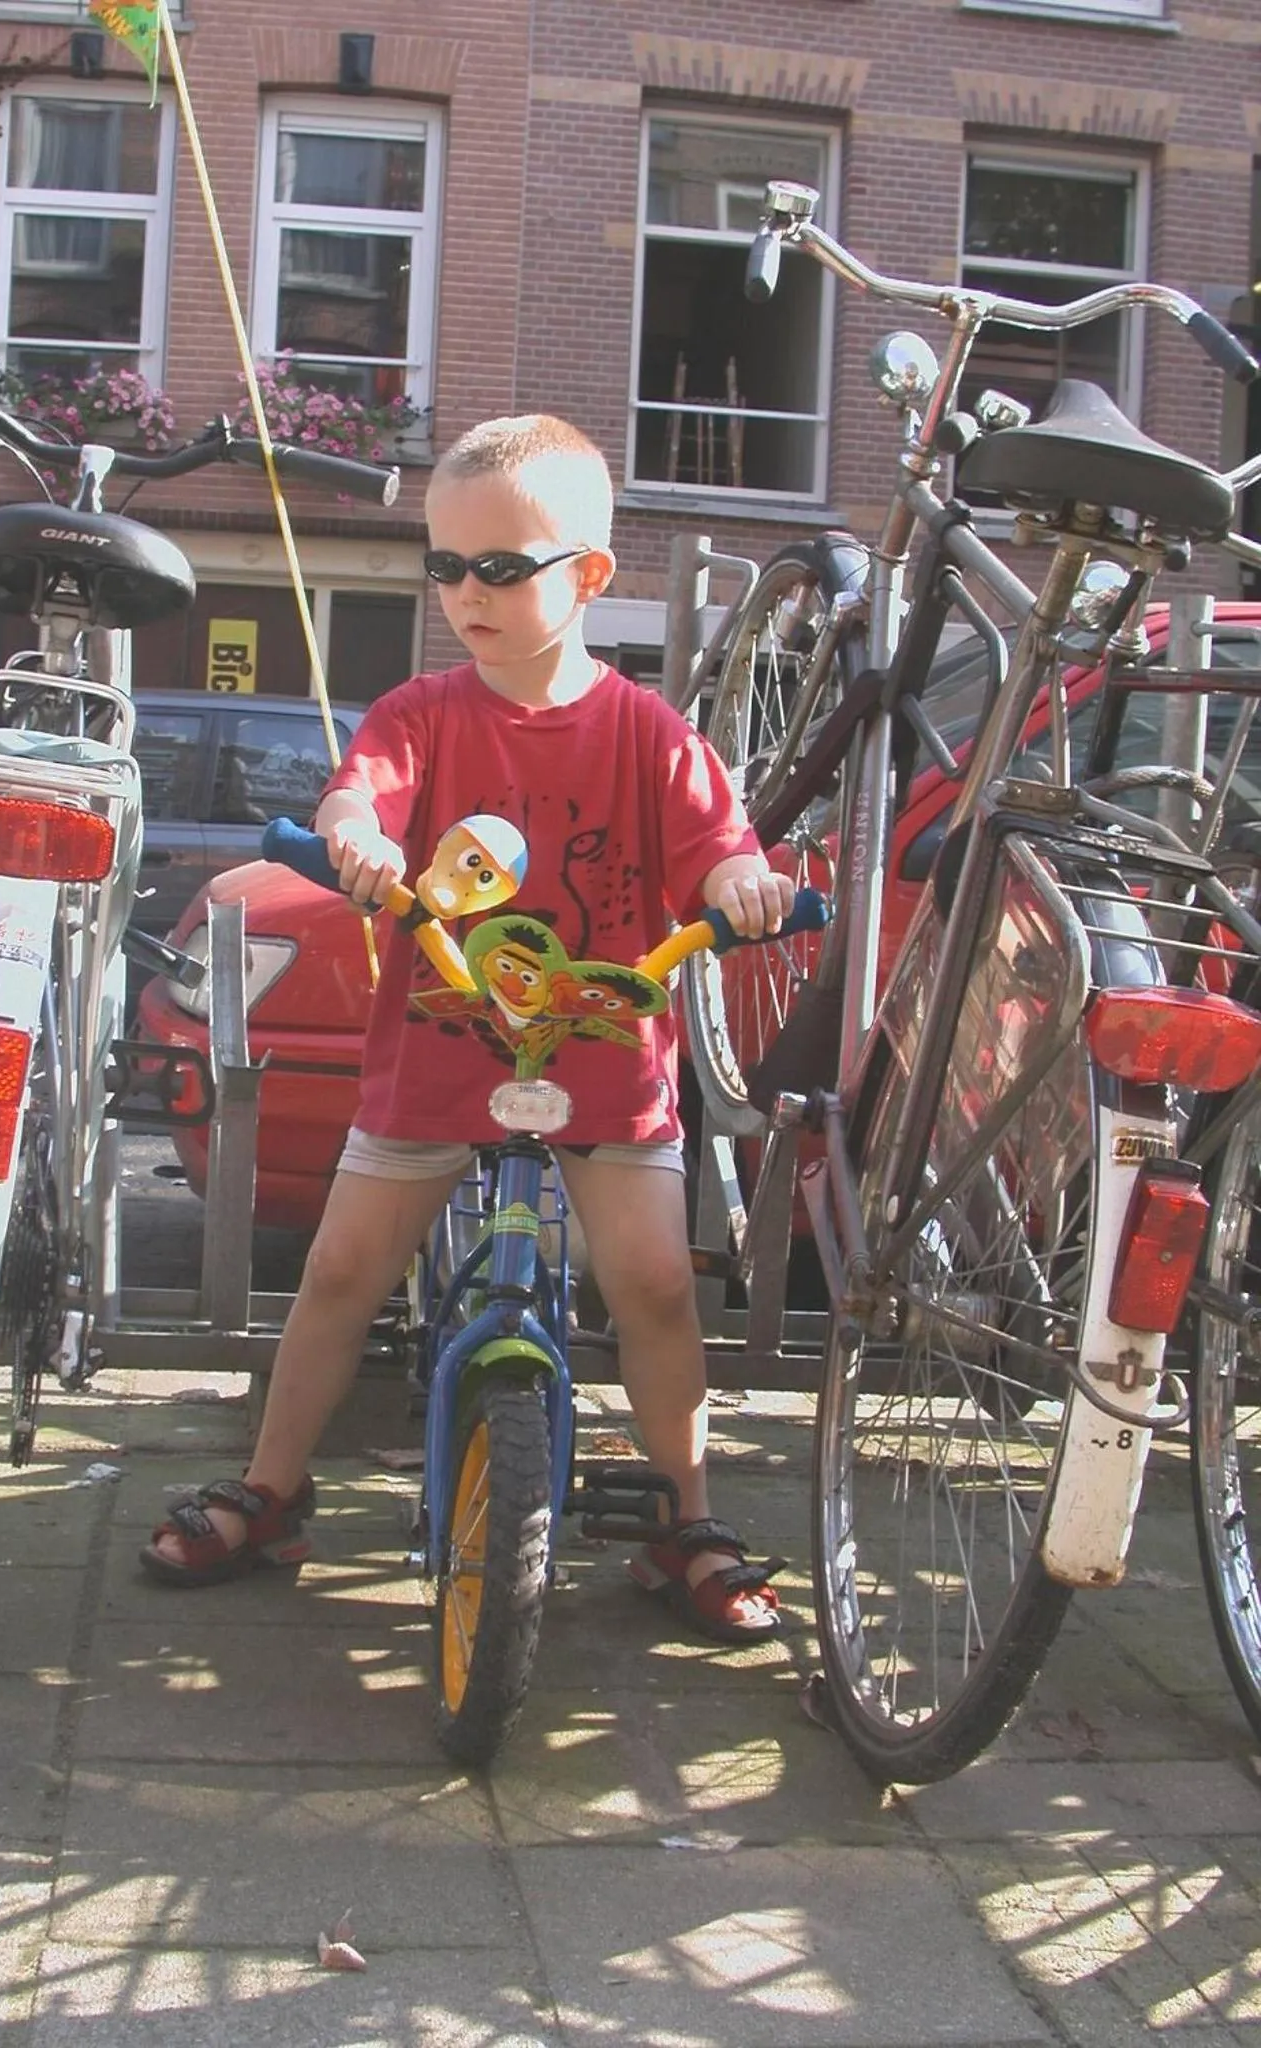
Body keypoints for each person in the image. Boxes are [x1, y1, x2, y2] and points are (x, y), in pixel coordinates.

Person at [141, 413, 794, 1643]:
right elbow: (360, 784)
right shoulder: (424, 712)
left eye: (500, 567)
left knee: (653, 1281)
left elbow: (721, 848)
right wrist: (356, 834)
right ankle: (273, 1486)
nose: (466, 593)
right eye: (445, 566)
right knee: (340, 1271)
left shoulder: (647, 732)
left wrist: (737, 890)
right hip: (439, 1055)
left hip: (600, 1057)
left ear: (590, 576)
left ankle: (686, 1517)